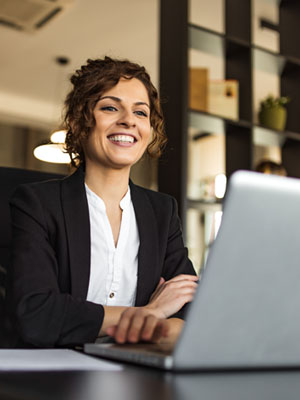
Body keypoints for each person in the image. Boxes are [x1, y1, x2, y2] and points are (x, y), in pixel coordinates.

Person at [7, 57, 197, 348]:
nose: (129, 120)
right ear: (78, 122)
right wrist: (150, 314)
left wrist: (157, 323)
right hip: (54, 375)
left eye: (141, 112)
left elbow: (191, 311)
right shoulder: (37, 203)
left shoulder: (162, 212)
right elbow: (36, 314)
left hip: (137, 374)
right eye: (110, 107)